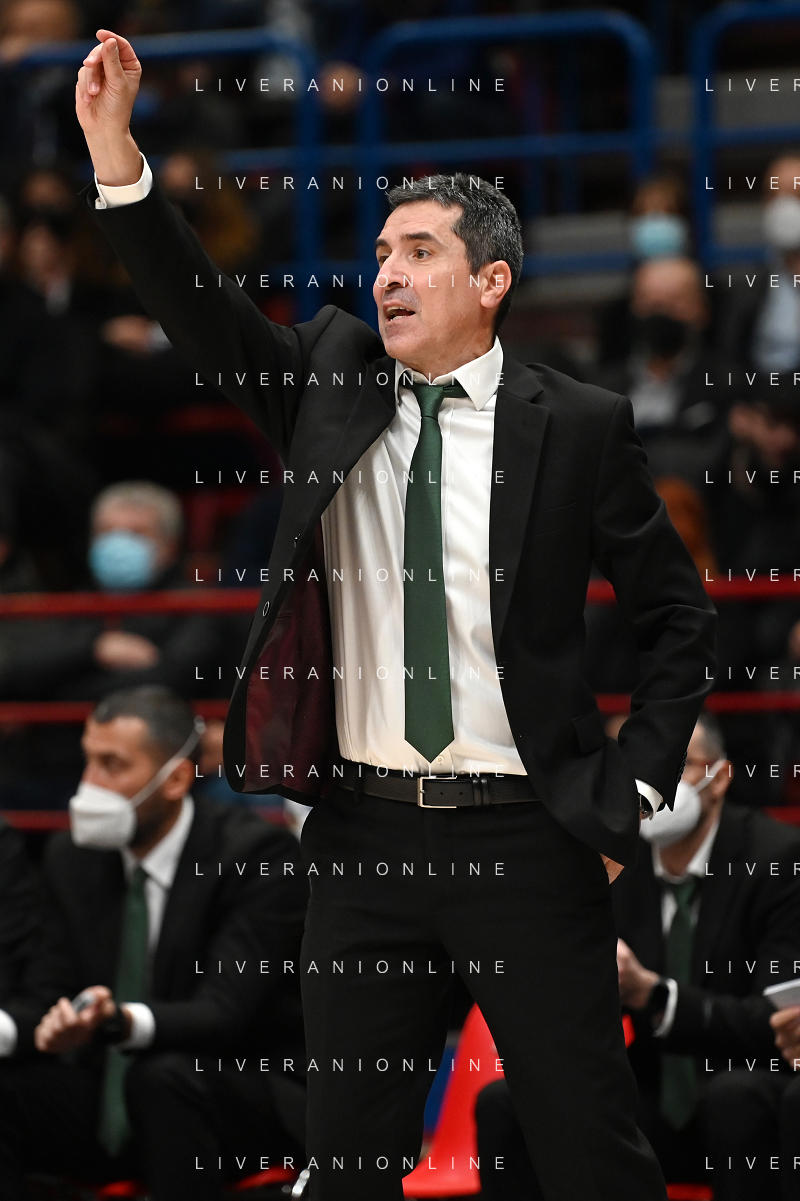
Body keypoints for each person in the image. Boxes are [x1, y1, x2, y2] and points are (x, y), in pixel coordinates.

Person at [74, 31, 716, 1201]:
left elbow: (678, 615)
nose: (388, 274)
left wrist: (631, 779)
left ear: (490, 281)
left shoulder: (575, 423)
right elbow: (202, 314)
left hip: (526, 833)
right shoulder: (329, 382)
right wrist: (119, 159)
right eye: (380, 253)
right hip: (363, 838)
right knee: (350, 1164)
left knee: (589, 1152)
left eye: (421, 252)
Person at [0, 685, 308, 1200]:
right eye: (88, 761)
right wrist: (58, 1024)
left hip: (240, 1089)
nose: (89, 784)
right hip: (115, 1092)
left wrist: (118, 1021)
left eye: (113, 766)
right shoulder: (71, 857)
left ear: (176, 779)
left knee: (161, 1078)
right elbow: (50, 987)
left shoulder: (256, 856)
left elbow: (225, 1013)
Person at [476, 712, 800, 1201]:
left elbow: (777, 1018)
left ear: (719, 778)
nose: (651, 784)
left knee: (736, 1098)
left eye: (677, 766)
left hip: (743, 1099)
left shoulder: (776, 859)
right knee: (507, 1104)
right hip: (645, 1099)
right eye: (631, 769)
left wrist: (655, 996)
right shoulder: (608, 863)